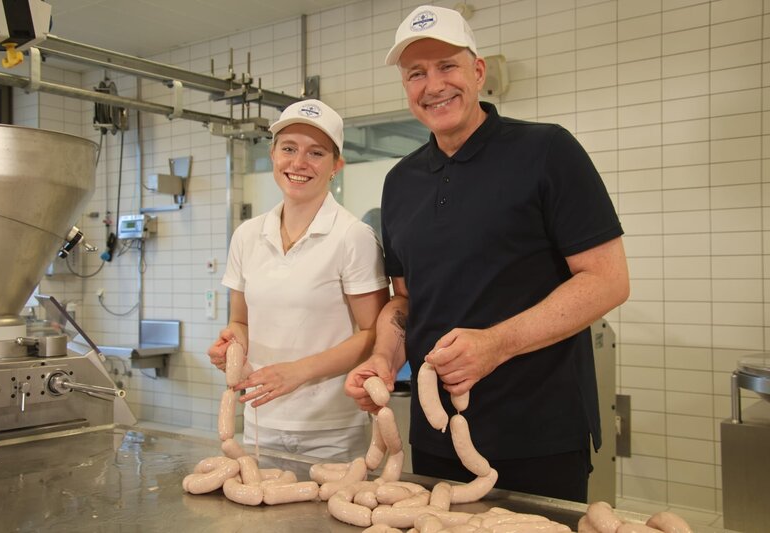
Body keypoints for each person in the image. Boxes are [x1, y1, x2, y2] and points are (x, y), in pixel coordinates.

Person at [344, 5, 629, 503]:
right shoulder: (400, 182)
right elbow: (406, 301)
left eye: (447, 66)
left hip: (538, 431)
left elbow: (608, 280)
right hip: (436, 436)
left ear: (478, 72)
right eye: (416, 74)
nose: (433, 85)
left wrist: (496, 343)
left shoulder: (546, 150)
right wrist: (384, 360)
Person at [207, 99, 390, 462]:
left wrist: (298, 373)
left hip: (331, 430)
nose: (299, 163)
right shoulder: (247, 235)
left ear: (337, 165)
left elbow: (374, 335)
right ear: (273, 154)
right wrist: (232, 346)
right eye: (288, 148)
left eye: (316, 153)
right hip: (260, 420)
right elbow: (240, 321)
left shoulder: (352, 236)